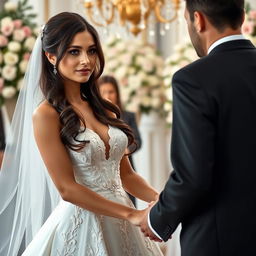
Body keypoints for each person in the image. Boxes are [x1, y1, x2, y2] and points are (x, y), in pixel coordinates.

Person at [0, 12, 163, 255]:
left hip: (124, 218)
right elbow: (67, 189)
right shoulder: (45, 115)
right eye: (74, 51)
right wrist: (132, 214)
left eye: (92, 50)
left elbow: (126, 175)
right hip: (83, 224)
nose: (86, 60)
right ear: (51, 56)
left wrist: (161, 200)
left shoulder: (106, 110)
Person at [137, 0, 256, 256]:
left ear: (198, 20)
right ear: (242, 16)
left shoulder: (193, 79)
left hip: (220, 241)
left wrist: (157, 220)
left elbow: (194, 175)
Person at [98, 75, 142, 206]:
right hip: (104, 171)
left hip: (127, 169)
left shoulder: (128, 116)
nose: (108, 96)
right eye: (103, 92)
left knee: (129, 203)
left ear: (117, 93)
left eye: (111, 92)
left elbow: (138, 140)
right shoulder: (95, 117)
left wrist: (127, 149)